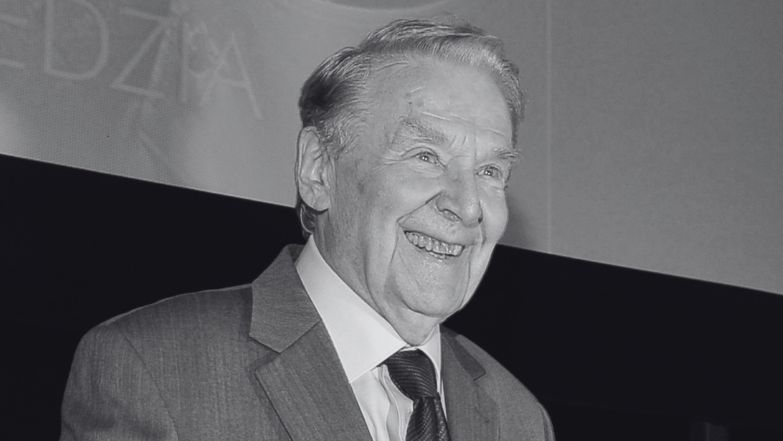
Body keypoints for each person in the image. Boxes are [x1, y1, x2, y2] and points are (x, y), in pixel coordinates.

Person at [60, 18, 554, 441]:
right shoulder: (155, 368)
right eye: (426, 156)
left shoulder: (519, 420)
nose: (468, 206)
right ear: (319, 170)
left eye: (491, 171)